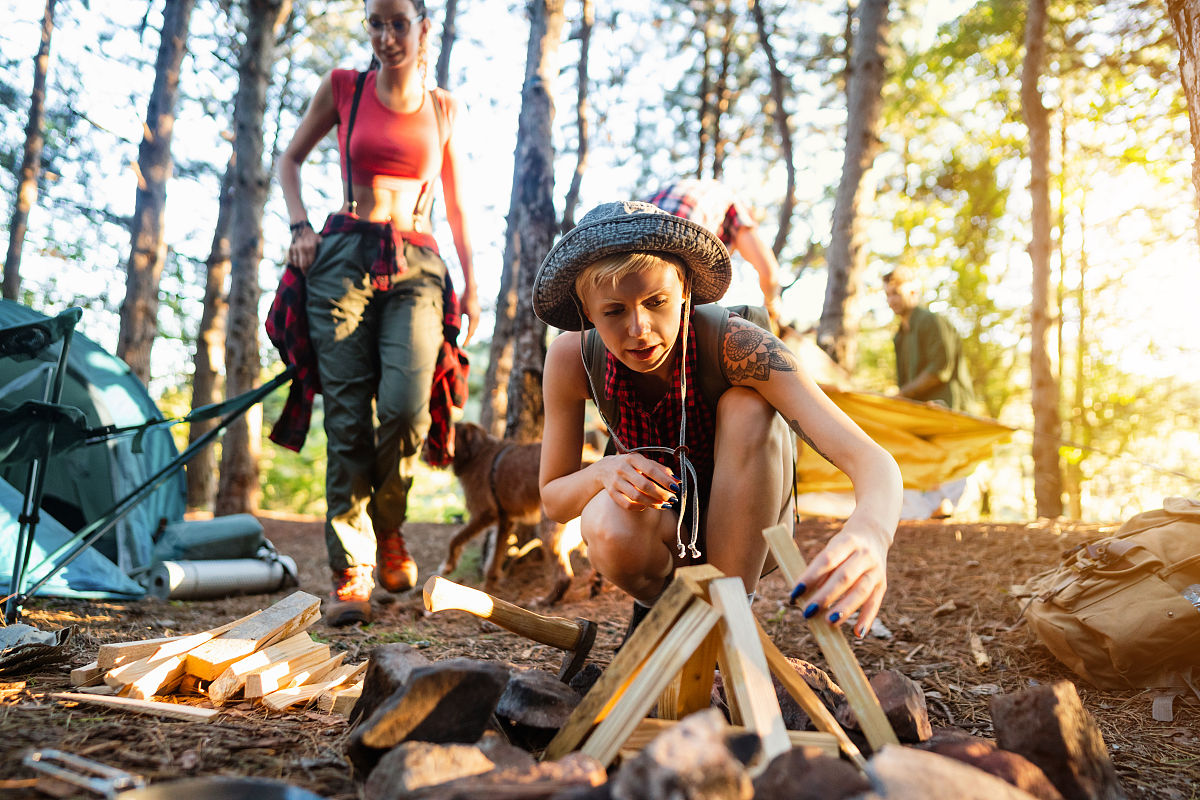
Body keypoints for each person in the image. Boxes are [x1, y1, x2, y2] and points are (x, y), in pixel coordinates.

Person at [534, 201, 902, 638]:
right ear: (586, 310)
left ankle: (728, 621)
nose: (639, 328)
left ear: (685, 288)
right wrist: (604, 470)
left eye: (656, 302)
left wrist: (872, 531)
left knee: (747, 406)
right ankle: (661, 614)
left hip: (750, 530)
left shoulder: (739, 346)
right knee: (604, 520)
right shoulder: (571, 357)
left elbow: (872, 460)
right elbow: (555, 499)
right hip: (663, 535)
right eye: (614, 311)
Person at [276, 0, 479, 626]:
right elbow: (289, 159)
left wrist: (473, 284)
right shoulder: (344, 88)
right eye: (375, 22)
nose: (387, 36)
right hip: (342, 259)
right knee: (346, 417)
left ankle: (388, 525)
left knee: (405, 409)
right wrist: (300, 226)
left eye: (398, 23)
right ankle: (352, 566)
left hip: (417, 264)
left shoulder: (443, 109)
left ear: (423, 28)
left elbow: (457, 204)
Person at [883, 266, 975, 519]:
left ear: (913, 291)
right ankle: (928, 510)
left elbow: (940, 370)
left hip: (948, 407)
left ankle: (948, 507)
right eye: (888, 295)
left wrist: (901, 395)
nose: (891, 300)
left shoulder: (931, 322)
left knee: (951, 460)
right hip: (921, 414)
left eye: (896, 293)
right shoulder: (900, 337)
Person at [642, 178, 782, 323]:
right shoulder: (734, 203)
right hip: (670, 257)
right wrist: (772, 303)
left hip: (632, 246)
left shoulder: (687, 190)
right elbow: (769, 272)